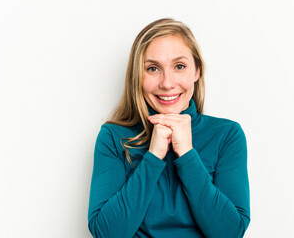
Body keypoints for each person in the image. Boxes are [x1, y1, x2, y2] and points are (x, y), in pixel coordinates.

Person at [88, 18, 250, 238]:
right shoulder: (113, 137)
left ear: (197, 71)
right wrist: (153, 156)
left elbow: (230, 233)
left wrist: (186, 153)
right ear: (138, 76)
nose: (166, 83)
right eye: (153, 68)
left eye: (179, 66)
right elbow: (106, 233)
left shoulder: (227, 135)